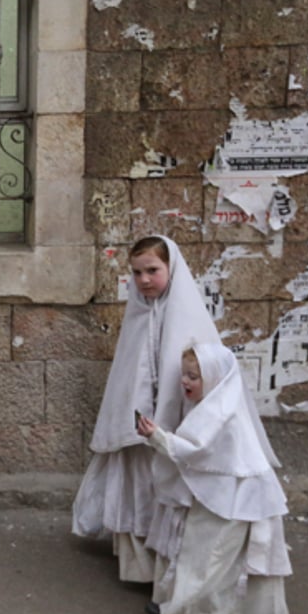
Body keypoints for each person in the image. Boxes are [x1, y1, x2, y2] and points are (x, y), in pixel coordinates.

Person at [72, 235, 220, 583]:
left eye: (152, 271)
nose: (144, 280)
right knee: (139, 488)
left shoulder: (189, 316)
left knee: (169, 490)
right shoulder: (138, 314)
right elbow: (129, 370)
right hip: (139, 427)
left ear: (172, 268)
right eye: (137, 273)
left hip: (174, 429)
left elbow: (206, 373)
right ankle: (141, 567)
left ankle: (173, 566)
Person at [138, 344, 292, 614]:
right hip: (226, 496)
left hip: (235, 498)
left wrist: (156, 436)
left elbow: (194, 450)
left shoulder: (221, 411)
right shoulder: (215, 404)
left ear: (213, 378)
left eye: (193, 376)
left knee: (212, 559)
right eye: (185, 375)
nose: (185, 381)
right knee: (210, 559)